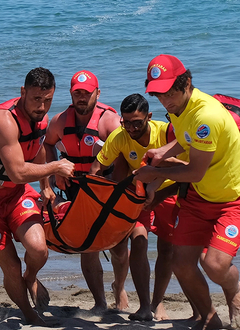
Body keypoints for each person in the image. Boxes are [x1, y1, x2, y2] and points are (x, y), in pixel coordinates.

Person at [134, 55, 240, 330]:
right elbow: (186, 137)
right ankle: (210, 320)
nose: (165, 101)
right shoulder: (182, 109)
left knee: (214, 266)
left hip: (233, 199)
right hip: (200, 198)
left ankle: (234, 290)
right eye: (158, 94)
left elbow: (193, 172)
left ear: (186, 83)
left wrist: (156, 174)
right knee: (182, 264)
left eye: (170, 92)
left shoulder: (206, 116)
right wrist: (165, 151)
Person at [0, 67, 75, 325]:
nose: (42, 106)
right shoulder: (3, 121)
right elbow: (16, 171)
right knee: (11, 267)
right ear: (23, 92)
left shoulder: (41, 119)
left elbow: (36, 152)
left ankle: (31, 277)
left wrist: (45, 185)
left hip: (15, 195)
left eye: (48, 99)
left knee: (39, 249)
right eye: (36, 99)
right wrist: (57, 167)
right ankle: (29, 314)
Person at [90, 93, 185, 321]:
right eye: (126, 122)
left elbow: (189, 173)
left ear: (149, 117)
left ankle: (157, 302)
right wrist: (95, 201)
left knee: (167, 250)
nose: (131, 128)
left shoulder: (166, 132)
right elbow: (96, 169)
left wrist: (160, 194)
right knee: (139, 241)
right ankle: (144, 307)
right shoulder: (119, 137)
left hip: (170, 191)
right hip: (139, 196)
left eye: (137, 123)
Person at [41, 70, 120, 313]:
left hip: (107, 190)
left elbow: (126, 154)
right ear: (71, 95)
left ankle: (120, 289)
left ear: (98, 93)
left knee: (118, 246)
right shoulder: (60, 121)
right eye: (77, 93)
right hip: (76, 191)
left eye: (87, 93)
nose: (82, 98)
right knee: (88, 246)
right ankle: (99, 302)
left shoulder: (109, 121)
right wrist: (51, 177)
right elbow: (46, 145)